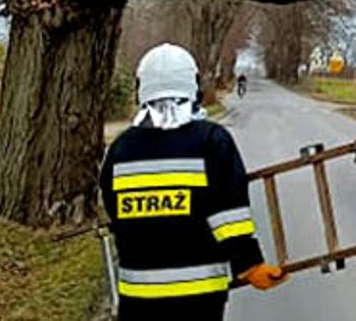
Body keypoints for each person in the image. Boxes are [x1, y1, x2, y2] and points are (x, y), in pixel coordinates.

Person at [100, 44, 286, 319]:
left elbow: (114, 211)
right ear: (193, 86)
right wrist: (250, 265)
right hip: (200, 298)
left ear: (141, 89)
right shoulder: (211, 141)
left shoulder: (120, 149)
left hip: (138, 298)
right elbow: (230, 216)